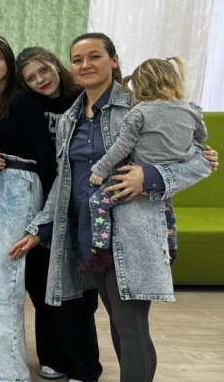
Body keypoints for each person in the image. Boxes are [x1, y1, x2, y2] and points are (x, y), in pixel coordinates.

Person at [10, 33, 215, 382]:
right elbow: (65, 180)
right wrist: (40, 227)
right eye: (77, 59)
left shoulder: (141, 105)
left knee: (130, 327)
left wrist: (149, 176)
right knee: (120, 326)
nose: (85, 65)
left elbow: (201, 161)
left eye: (95, 56)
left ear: (114, 60)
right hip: (88, 237)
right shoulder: (70, 117)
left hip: (133, 234)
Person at [0, 36, 55, 382]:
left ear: (8, 60)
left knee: (2, 281)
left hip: (20, 186)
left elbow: (46, 155)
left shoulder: (22, 98)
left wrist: (46, 214)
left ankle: (9, 376)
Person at [13, 46, 101, 382]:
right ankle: (51, 357)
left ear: (55, 64)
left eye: (43, 71)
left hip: (78, 204)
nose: (40, 80)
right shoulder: (27, 104)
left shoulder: (81, 99)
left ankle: (84, 367)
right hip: (40, 203)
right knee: (40, 285)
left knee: (76, 292)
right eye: (31, 78)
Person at [80, 57, 204, 275]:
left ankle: (100, 252)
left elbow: (121, 147)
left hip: (137, 177)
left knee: (97, 202)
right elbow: (201, 138)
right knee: (166, 207)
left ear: (140, 86)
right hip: (167, 179)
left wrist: (100, 169)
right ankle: (171, 248)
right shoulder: (192, 110)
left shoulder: (139, 113)